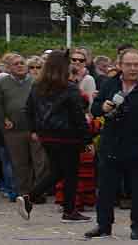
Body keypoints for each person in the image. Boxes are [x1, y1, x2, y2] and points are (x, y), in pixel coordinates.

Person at [86, 48, 138, 240]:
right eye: (128, 64)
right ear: (120, 66)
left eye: (136, 64)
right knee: (105, 189)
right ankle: (103, 225)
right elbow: (95, 109)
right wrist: (102, 107)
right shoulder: (109, 84)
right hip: (111, 144)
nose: (133, 68)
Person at [15, 51, 90, 223]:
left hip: (46, 136)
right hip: (68, 136)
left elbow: (28, 110)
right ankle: (69, 211)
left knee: (57, 171)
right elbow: (78, 116)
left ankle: (30, 198)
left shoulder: (37, 86)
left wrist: (34, 129)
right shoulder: (69, 87)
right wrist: (87, 139)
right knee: (70, 173)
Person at [0, 53, 47, 202]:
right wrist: (3, 120)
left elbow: (43, 105)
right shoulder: (2, 83)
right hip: (13, 131)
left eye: (22, 63)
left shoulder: (35, 82)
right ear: (9, 68)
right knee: (20, 164)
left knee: (40, 162)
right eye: (15, 64)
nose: (20, 66)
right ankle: (24, 193)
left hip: (34, 129)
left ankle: (38, 193)